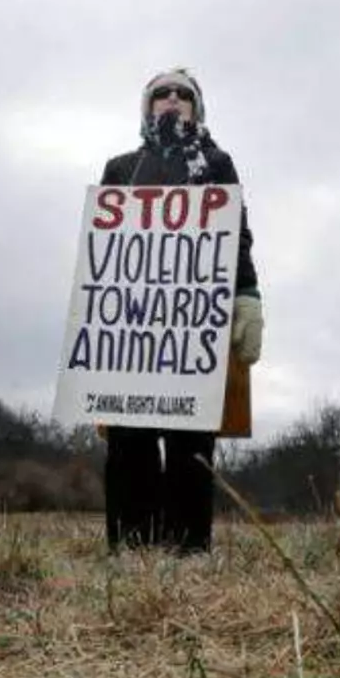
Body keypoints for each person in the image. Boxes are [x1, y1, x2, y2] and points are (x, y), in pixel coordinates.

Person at [97, 68, 263, 555]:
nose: (172, 100)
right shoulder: (121, 167)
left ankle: (189, 549)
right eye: (161, 94)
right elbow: (102, 247)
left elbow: (237, 233)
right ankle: (133, 547)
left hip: (194, 323)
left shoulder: (215, 163)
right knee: (129, 436)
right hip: (134, 320)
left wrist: (246, 293)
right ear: (148, 108)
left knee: (191, 438)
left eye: (183, 94)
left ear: (197, 107)